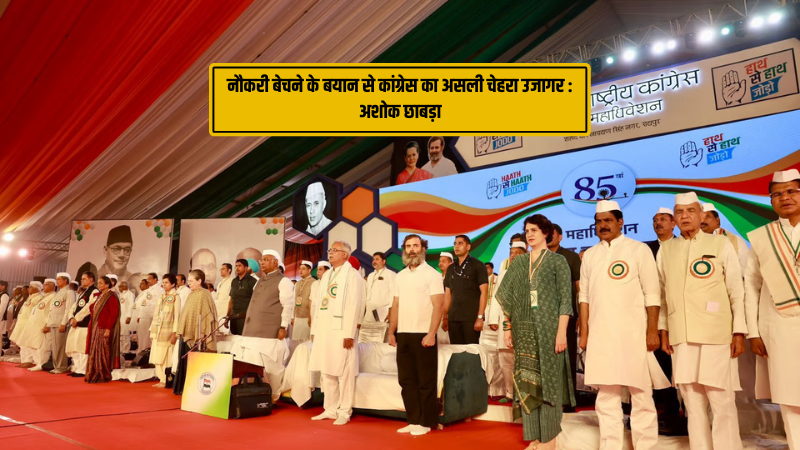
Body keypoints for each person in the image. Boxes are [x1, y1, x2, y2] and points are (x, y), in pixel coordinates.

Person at [658, 192, 746, 450]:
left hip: (715, 334)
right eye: (679, 212)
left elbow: (736, 290)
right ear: (674, 218)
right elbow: (661, 295)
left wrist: (739, 331)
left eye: (691, 211)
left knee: (721, 400)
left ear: (702, 215)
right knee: (691, 402)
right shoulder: (666, 249)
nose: (685, 216)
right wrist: (663, 330)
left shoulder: (721, 244)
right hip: (681, 336)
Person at [579, 200, 669, 450]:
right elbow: (584, 297)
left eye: (608, 220)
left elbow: (652, 294)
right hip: (601, 334)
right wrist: (584, 332)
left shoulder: (638, 249)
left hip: (633, 333)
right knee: (606, 395)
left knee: (641, 392)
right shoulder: (590, 255)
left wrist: (652, 331)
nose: (603, 225)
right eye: (598, 222)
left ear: (620, 222)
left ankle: (645, 446)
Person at [495, 214, 575, 450]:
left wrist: (562, 332)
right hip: (524, 331)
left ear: (546, 233)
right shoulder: (519, 263)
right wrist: (508, 328)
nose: (529, 234)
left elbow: (565, 300)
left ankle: (549, 438)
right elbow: (507, 297)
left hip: (550, 330)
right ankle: (534, 437)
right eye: (527, 230)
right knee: (528, 383)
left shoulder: (558, 261)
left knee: (549, 383)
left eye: (534, 230)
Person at [744, 169, 800, 450]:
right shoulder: (762, 237)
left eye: (791, 191)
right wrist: (754, 333)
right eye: (777, 194)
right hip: (778, 326)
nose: (784, 197)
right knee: (790, 395)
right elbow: (751, 287)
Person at [388, 234, 445, 436]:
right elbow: (395, 305)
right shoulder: (400, 276)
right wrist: (391, 332)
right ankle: (413, 420)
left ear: (423, 249)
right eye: (408, 246)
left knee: (425, 381)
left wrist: (432, 333)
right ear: (404, 249)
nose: (412, 249)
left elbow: (439, 306)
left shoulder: (432, 274)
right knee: (406, 381)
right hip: (403, 334)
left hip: (423, 334)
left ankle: (426, 422)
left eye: (416, 246)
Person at [309, 240, 364, 425]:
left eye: (334, 250)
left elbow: (354, 305)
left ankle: (344, 411)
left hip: (342, 330)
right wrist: (315, 329)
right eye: (330, 250)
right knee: (327, 369)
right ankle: (330, 409)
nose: (330, 253)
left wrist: (349, 333)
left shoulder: (352, 275)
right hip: (325, 328)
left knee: (344, 371)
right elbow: (319, 304)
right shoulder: (327, 275)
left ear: (345, 255)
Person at [644, 207, 683, 432]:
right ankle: (669, 411)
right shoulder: (646, 249)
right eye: (655, 219)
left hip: (680, 313)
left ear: (673, 224)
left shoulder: (681, 246)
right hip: (654, 314)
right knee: (662, 363)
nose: (658, 223)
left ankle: (688, 411)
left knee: (682, 365)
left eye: (663, 219)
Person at [488, 239, 528, 401]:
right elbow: (496, 298)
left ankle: (522, 394)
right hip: (505, 323)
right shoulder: (503, 273)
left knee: (522, 358)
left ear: (526, 255)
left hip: (523, 322)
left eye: (517, 253)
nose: (513, 256)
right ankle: (510, 393)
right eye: (511, 253)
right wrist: (493, 318)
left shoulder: (531, 272)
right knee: (505, 358)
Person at [548, 223, 582, 411]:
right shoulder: (539, 257)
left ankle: (569, 401)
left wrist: (581, 314)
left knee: (567, 358)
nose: (548, 236)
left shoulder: (571, 257)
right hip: (544, 316)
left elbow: (579, 288)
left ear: (560, 237)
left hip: (567, 315)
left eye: (552, 234)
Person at [173, 269, 218, 395]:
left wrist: (203, 332)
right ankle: (183, 388)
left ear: (199, 281)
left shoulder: (204, 294)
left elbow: (207, 315)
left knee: (194, 362)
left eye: (191, 281)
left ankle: (194, 389)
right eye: (188, 281)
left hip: (198, 335)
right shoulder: (191, 294)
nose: (189, 283)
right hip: (187, 333)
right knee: (184, 360)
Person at [443, 235, 488, 345]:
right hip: (453, 318)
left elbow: (484, 292)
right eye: (455, 244)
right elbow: (448, 294)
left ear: (468, 247)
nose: (456, 246)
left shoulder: (478, 265)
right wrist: (445, 317)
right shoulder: (450, 268)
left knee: (471, 350)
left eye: (460, 243)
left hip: (471, 318)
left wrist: (480, 317)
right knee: (455, 350)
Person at [243, 250, 294, 339]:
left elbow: (287, 306)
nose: (262, 263)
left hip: (271, 332)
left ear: (275, 262)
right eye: (261, 260)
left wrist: (284, 327)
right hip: (252, 330)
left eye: (266, 260)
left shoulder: (284, 280)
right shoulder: (259, 281)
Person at [85, 276, 121, 384]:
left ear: (107, 284)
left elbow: (113, 314)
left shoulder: (111, 296)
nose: (99, 285)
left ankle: (102, 373)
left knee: (102, 350)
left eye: (101, 283)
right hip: (96, 326)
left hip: (104, 327)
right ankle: (93, 372)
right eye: (98, 283)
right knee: (94, 350)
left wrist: (108, 329)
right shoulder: (100, 295)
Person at [67, 272, 99, 377]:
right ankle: (77, 368)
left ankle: (82, 370)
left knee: (82, 348)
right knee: (74, 347)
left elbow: (89, 308)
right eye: (81, 279)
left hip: (85, 324)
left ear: (91, 279)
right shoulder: (83, 292)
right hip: (76, 324)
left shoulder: (94, 291)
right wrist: (71, 318)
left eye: (84, 279)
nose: (82, 281)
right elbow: (74, 306)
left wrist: (77, 318)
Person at [360, 252, 396, 343]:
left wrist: (390, 311)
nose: (374, 261)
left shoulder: (390, 274)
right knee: (366, 339)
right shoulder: (371, 275)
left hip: (382, 312)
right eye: (373, 259)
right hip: (368, 311)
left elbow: (393, 293)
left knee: (380, 339)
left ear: (384, 261)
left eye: (377, 259)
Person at [702, 203, 750, 273]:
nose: (702, 221)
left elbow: (747, 271)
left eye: (707, 217)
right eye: (700, 218)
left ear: (717, 220)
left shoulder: (735, 240)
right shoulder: (691, 241)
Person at [151, 274, 179, 388]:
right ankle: (160, 378)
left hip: (168, 331)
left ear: (173, 284)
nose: (164, 284)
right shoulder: (162, 296)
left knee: (167, 356)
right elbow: (156, 313)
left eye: (166, 282)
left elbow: (177, 316)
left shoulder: (176, 296)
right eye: (163, 282)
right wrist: (152, 330)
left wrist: (175, 332)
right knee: (157, 354)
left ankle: (166, 379)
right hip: (158, 330)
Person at [18, 281, 53, 371]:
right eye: (44, 284)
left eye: (46, 285)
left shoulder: (52, 296)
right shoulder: (44, 296)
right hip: (34, 323)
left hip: (42, 324)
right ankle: (37, 363)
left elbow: (51, 312)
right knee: (33, 344)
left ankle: (41, 363)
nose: (44, 286)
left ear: (52, 286)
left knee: (41, 345)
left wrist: (48, 324)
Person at [50, 273, 77, 374]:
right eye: (57, 279)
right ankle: (56, 366)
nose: (57, 281)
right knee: (55, 347)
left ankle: (61, 367)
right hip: (54, 322)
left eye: (59, 279)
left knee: (60, 347)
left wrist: (64, 323)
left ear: (66, 281)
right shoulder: (58, 292)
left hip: (61, 323)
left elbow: (69, 309)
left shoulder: (69, 292)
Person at [228, 259, 257, 335]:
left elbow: (255, 301)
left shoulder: (252, 281)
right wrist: (227, 316)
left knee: (244, 338)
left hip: (245, 317)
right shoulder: (234, 281)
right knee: (234, 338)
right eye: (236, 266)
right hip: (233, 316)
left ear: (246, 268)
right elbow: (231, 299)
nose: (237, 268)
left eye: (240, 266)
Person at [128, 278, 157, 354]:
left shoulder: (148, 294)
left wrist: (140, 316)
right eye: (140, 283)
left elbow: (147, 306)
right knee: (140, 337)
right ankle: (140, 351)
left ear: (147, 285)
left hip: (145, 317)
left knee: (145, 337)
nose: (140, 285)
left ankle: (144, 352)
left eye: (142, 283)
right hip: (139, 318)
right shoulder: (142, 293)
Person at [292, 260, 316, 341]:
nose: (300, 271)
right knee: (297, 341)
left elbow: (313, 301)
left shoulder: (314, 282)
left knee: (306, 341)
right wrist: (292, 317)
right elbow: (293, 300)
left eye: (303, 269)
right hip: (297, 316)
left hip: (307, 317)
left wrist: (311, 316)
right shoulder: (297, 283)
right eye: (300, 269)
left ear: (309, 270)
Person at [118, 281, 135, 355]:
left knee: (125, 335)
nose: (119, 288)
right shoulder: (121, 294)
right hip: (120, 318)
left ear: (125, 286)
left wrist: (129, 316)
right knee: (121, 335)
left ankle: (126, 351)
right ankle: (121, 351)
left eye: (120, 287)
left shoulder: (130, 294)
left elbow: (131, 306)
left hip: (126, 318)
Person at [215, 264, 233, 332]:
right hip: (217, 313)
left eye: (223, 269)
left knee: (225, 334)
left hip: (225, 313)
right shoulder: (220, 283)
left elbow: (231, 299)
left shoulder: (232, 281)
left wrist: (228, 315)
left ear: (229, 270)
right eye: (220, 269)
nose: (221, 271)